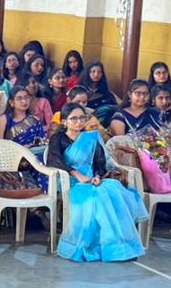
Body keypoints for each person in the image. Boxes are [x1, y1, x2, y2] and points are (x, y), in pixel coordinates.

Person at [48, 103, 148, 262]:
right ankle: (93, 247)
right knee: (96, 196)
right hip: (70, 181)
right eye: (73, 119)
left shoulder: (91, 138)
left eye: (82, 118)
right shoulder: (57, 139)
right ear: (64, 121)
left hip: (92, 180)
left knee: (113, 189)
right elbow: (54, 161)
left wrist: (97, 176)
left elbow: (99, 163)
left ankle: (118, 247)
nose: (78, 122)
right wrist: (77, 174)